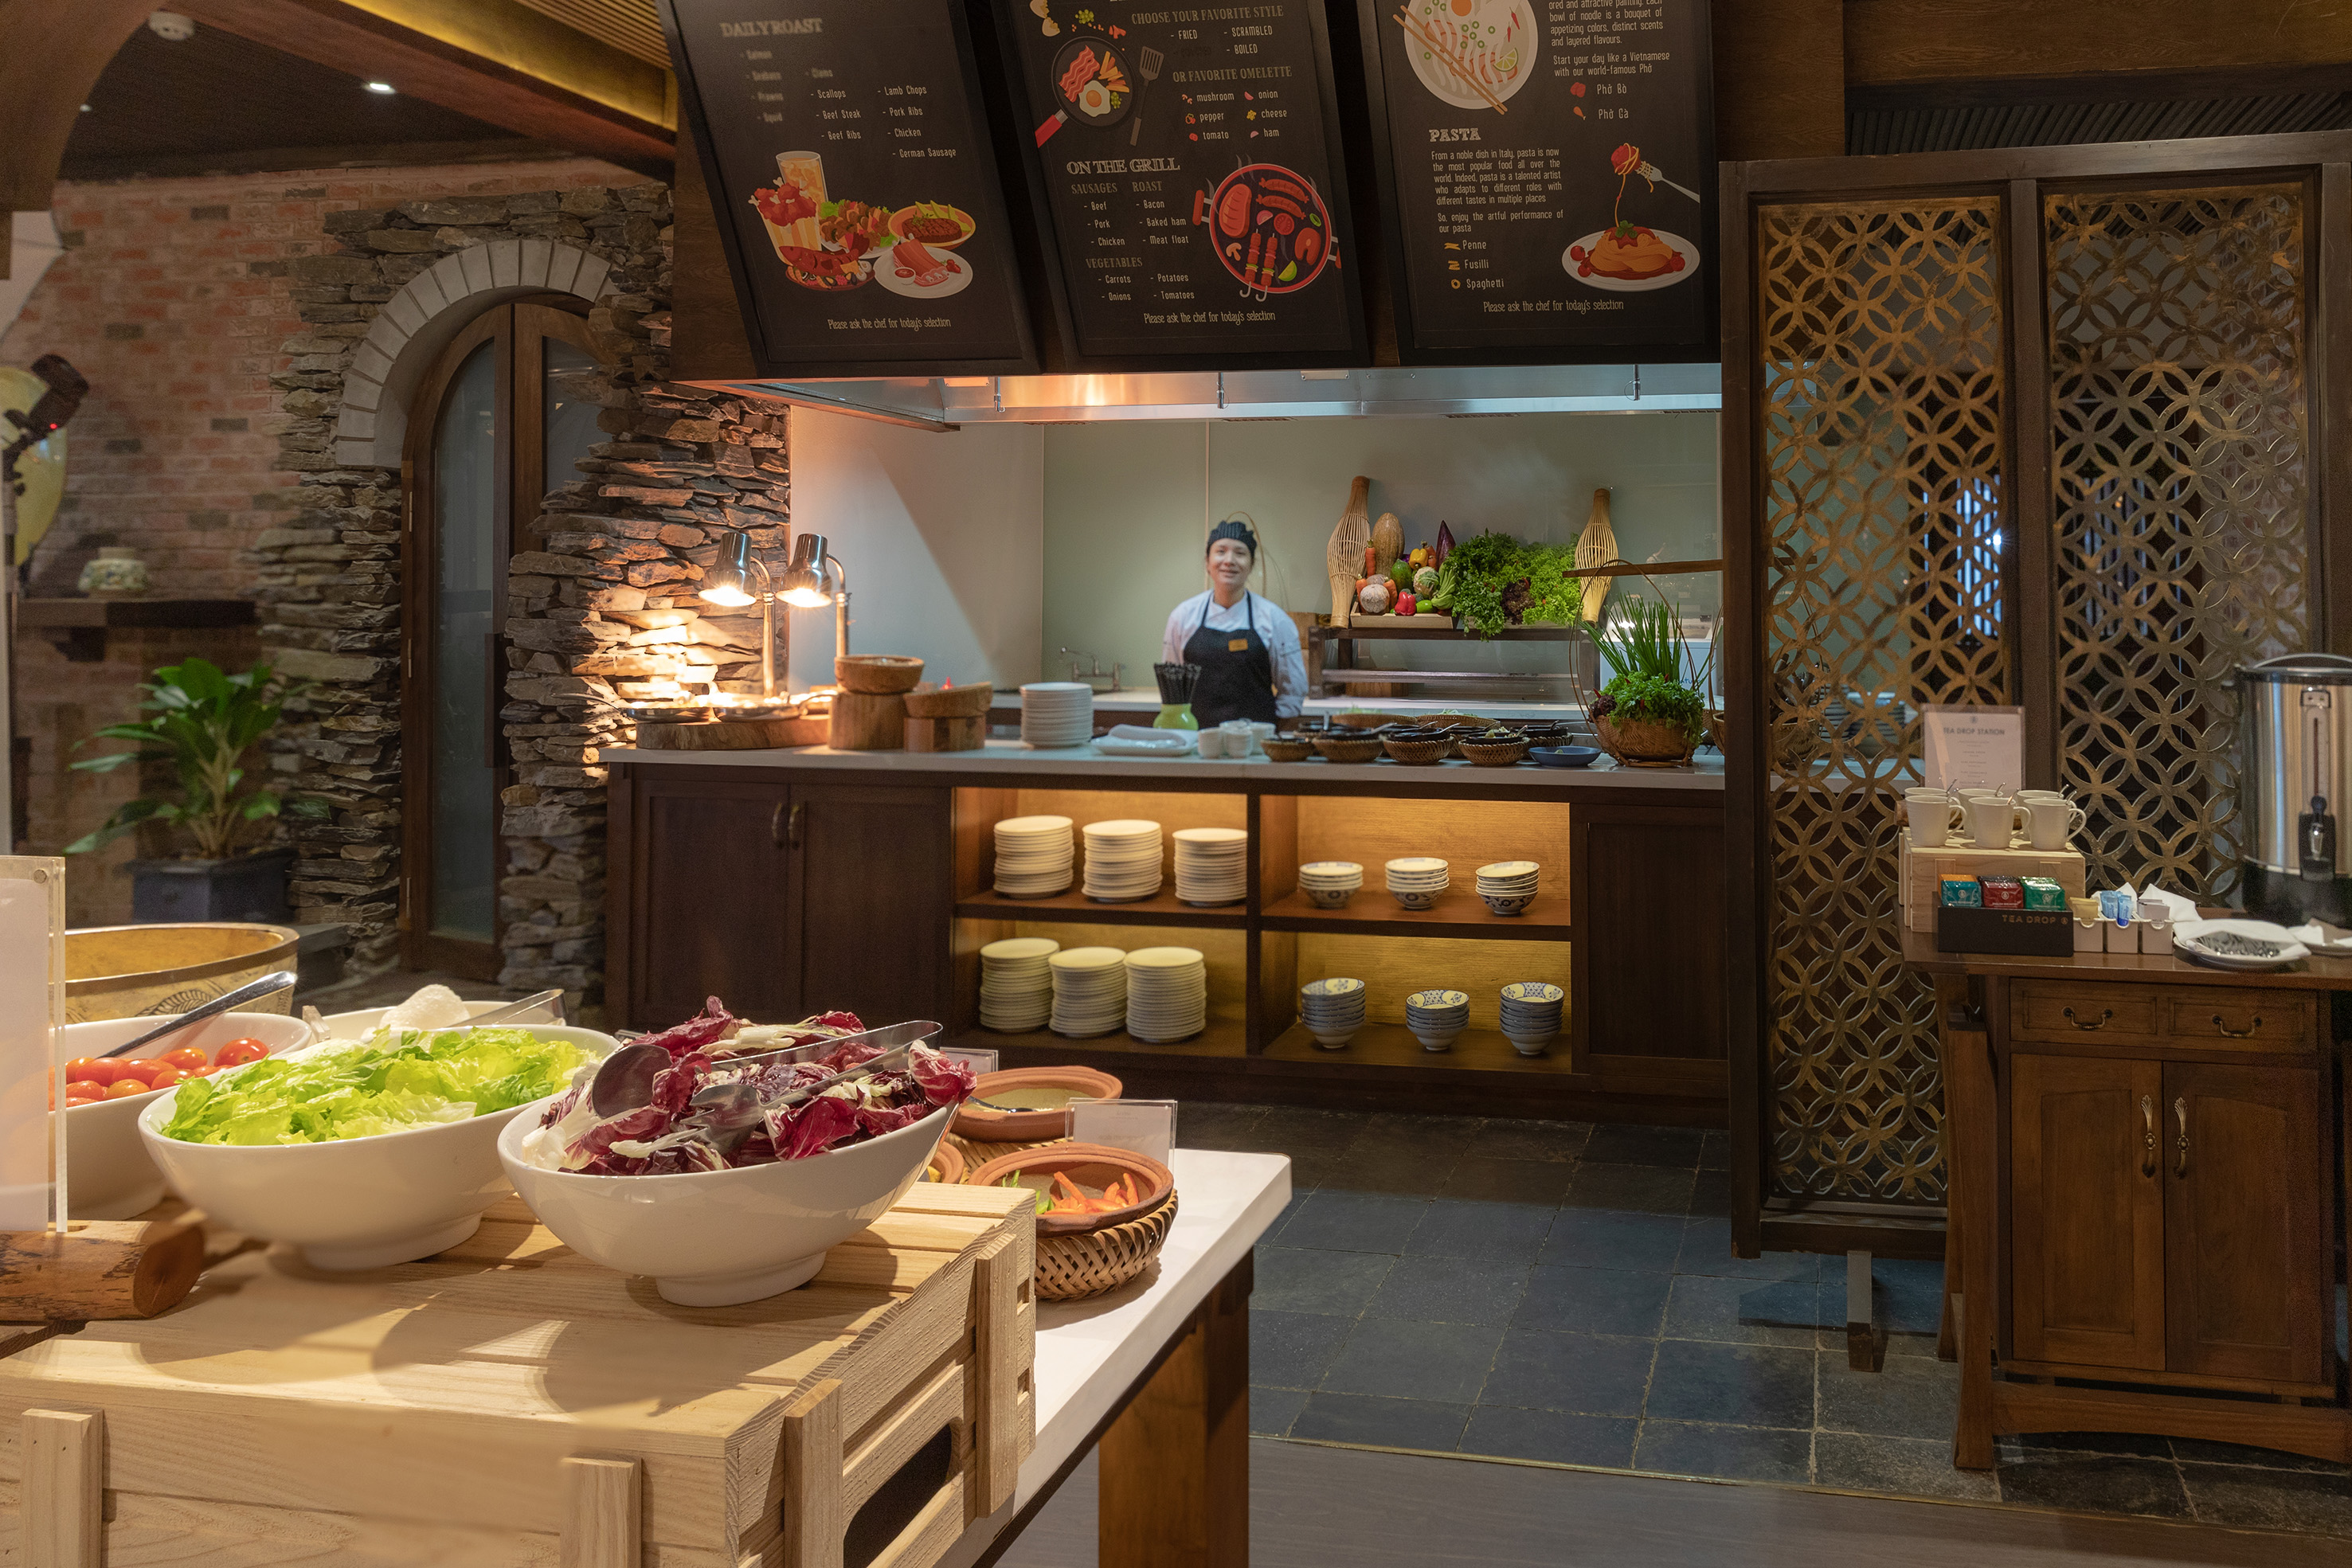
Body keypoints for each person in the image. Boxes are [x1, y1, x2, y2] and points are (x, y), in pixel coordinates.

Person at [1160, 517, 1308, 725]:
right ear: (1207, 563)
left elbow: (1292, 693)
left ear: (1251, 564)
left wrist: (1271, 740)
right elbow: (1172, 689)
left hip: (1256, 747)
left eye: (1240, 553)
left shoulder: (1275, 620)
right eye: (1220, 551)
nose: (1229, 560)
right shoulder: (1182, 617)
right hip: (1198, 745)